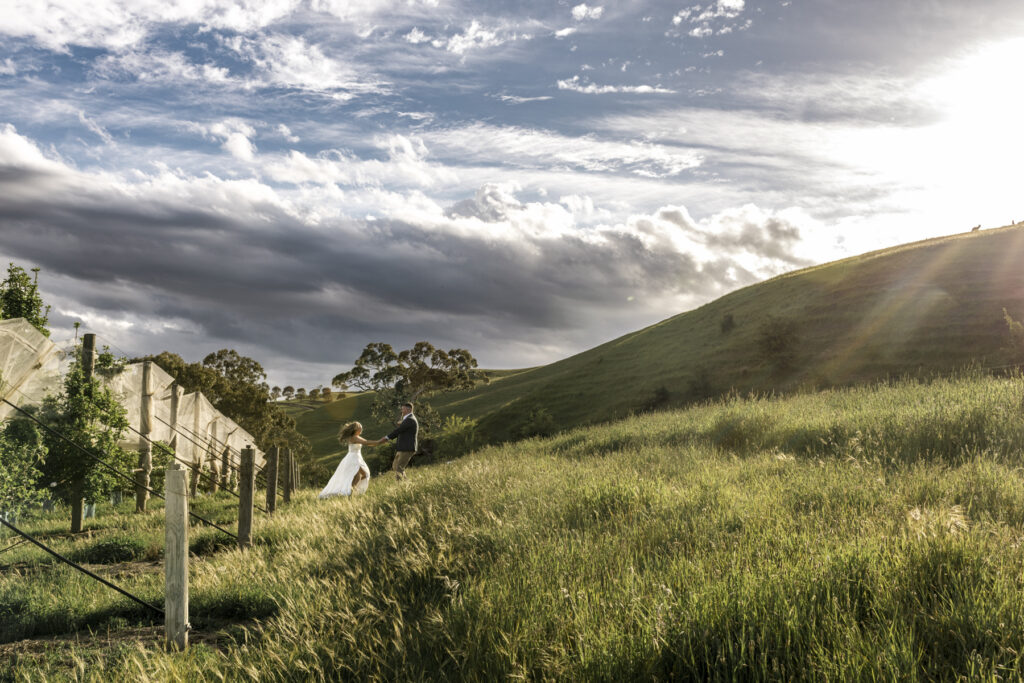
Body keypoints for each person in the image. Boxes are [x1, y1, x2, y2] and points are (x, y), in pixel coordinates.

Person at [318, 422, 383, 499]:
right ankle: (350, 493)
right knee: (364, 474)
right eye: (360, 427)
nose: (362, 429)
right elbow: (366, 442)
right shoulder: (354, 437)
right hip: (354, 459)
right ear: (356, 429)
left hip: (354, 458)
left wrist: (378, 442)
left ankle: (351, 492)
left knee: (360, 476)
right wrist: (379, 442)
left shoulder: (354, 437)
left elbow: (367, 442)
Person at [381, 402, 418, 480]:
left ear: (409, 409)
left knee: (399, 468)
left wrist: (387, 437)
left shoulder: (410, 419)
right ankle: (406, 481)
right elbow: (401, 428)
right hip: (402, 448)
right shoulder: (407, 419)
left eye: (403, 409)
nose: (402, 411)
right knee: (395, 466)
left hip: (407, 448)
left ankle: (400, 486)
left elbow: (399, 430)